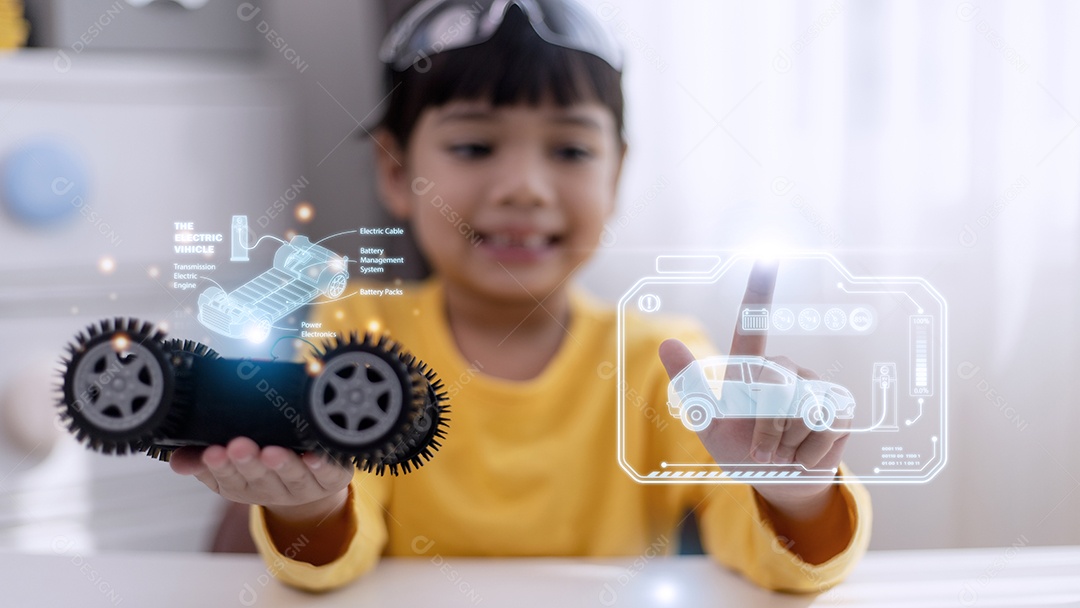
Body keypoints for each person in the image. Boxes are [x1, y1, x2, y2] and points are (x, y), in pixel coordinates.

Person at [171, 0, 870, 594]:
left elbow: (769, 559)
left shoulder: (661, 361)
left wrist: (795, 492)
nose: (525, 189)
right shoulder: (361, 326)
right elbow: (337, 542)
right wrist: (311, 505)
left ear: (617, 176)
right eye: (474, 148)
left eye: (570, 152)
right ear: (395, 171)